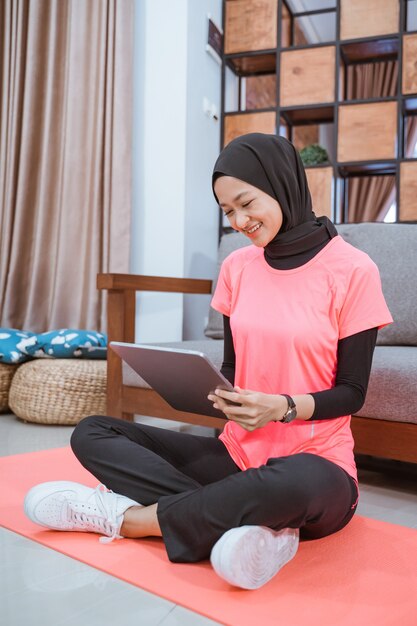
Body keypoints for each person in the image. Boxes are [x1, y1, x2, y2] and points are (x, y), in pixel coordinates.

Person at [23, 133, 393, 590]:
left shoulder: (353, 270)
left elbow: (352, 392)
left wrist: (282, 407)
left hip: (316, 466)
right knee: (94, 432)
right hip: (237, 454)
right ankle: (253, 525)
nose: (240, 220)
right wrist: (218, 392)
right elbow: (235, 369)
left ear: (281, 184)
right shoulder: (238, 267)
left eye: (246, 203)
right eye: (227, 211)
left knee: (292, 483)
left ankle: (128, 520)